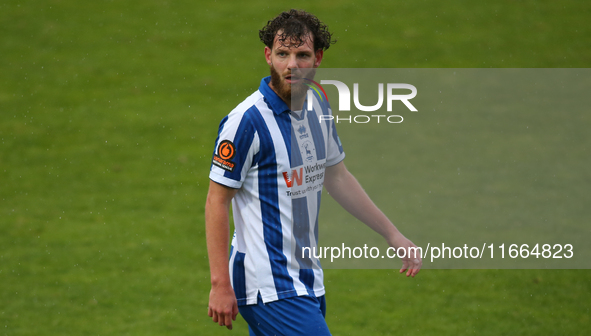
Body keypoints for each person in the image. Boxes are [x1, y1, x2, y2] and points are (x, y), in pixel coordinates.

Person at [205, 9, 422, 335]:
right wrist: (220, 284)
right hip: (268, 283)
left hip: (306, 277)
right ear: (268, 56)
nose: (292, 64)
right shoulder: (246, 122)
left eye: (302, 54)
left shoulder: (318, 105)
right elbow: (216, 201)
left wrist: (392, 234)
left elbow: (337, 178)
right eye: (283, 54)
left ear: (317, 57)